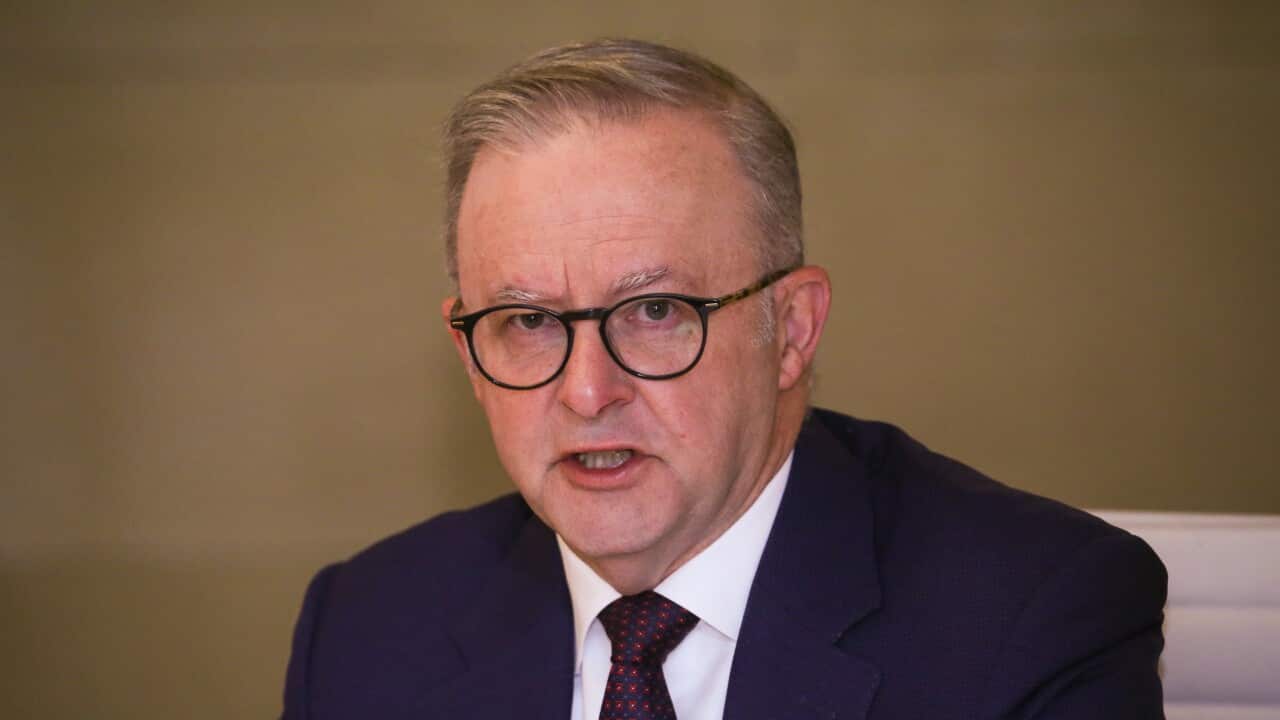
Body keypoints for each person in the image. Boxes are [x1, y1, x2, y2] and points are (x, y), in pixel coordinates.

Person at [281, 38, 1166, 719]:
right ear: (468, 354)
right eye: (527, 322)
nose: (587, 393)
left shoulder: (1033, 618)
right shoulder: (366, 628)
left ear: (792, 330)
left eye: (656, 311)